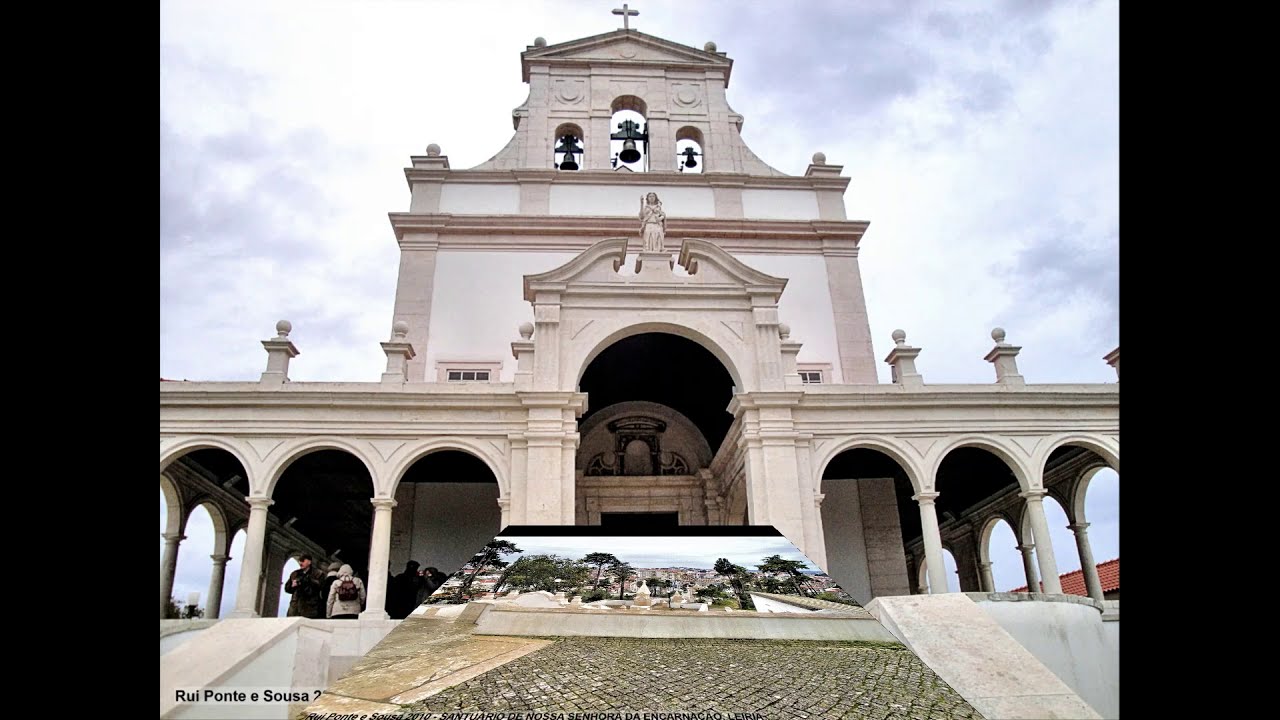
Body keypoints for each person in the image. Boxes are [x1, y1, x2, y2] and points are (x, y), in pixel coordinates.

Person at [284, 554, 325, 619]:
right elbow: (287, 589)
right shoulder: (295, 574)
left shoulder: (318, 573)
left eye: (303, 560)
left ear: (309, 562)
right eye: (300, 560)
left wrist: (308, 580)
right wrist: (292, 586)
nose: (300, 562)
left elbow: (320, 587)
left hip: (310, 608)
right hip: (295, 607)